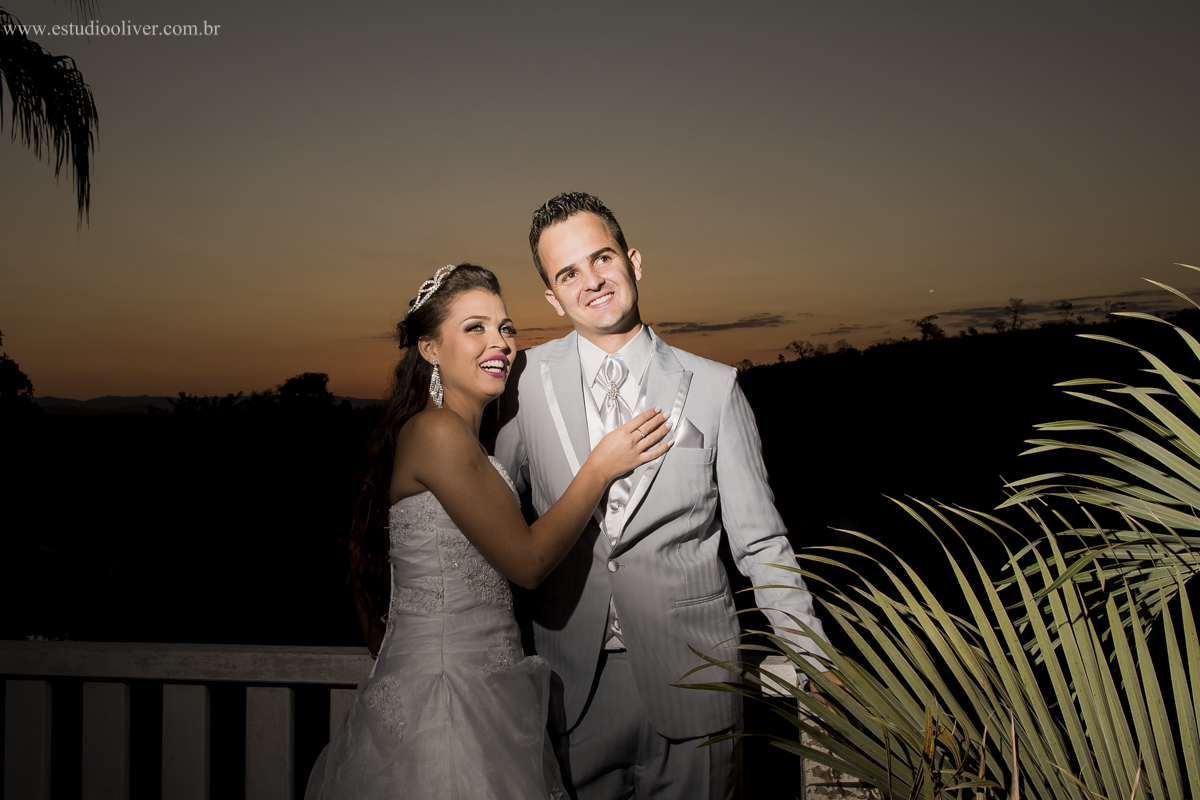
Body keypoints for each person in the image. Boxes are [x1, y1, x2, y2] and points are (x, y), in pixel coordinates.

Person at [494, 192, 832, 800]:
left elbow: (760, 542)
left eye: (602, 258)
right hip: (571, 689)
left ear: (634, 261)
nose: (591, 281)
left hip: (696, 684)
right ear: (552, 295)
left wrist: (812, 654)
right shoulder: (521, 382)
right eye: (568, 272)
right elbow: (493, 513)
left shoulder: (715, 386)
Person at [305, 263, 672, 800]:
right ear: (430, 349)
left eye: (504, 327)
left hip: (488, 691)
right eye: (474, 327)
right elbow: (526, 563)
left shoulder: (468, 439)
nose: (498, 342)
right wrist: (600, 466)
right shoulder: (435, 432)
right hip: (445, 705)